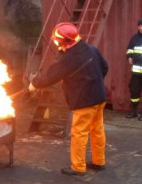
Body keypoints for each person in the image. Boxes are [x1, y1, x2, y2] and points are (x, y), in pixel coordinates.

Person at [28, 22, 109, 176]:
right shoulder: (91, 49)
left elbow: (50, 76)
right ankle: (99, 162)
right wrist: (93, 82)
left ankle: (78, 167)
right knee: (97, 130)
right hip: (99, 97)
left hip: (84, 101)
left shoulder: (69, 58)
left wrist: (34, 84)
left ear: (66, 41)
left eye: (58, 41)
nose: (56, 43)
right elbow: (105, 67)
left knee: (79, 132)